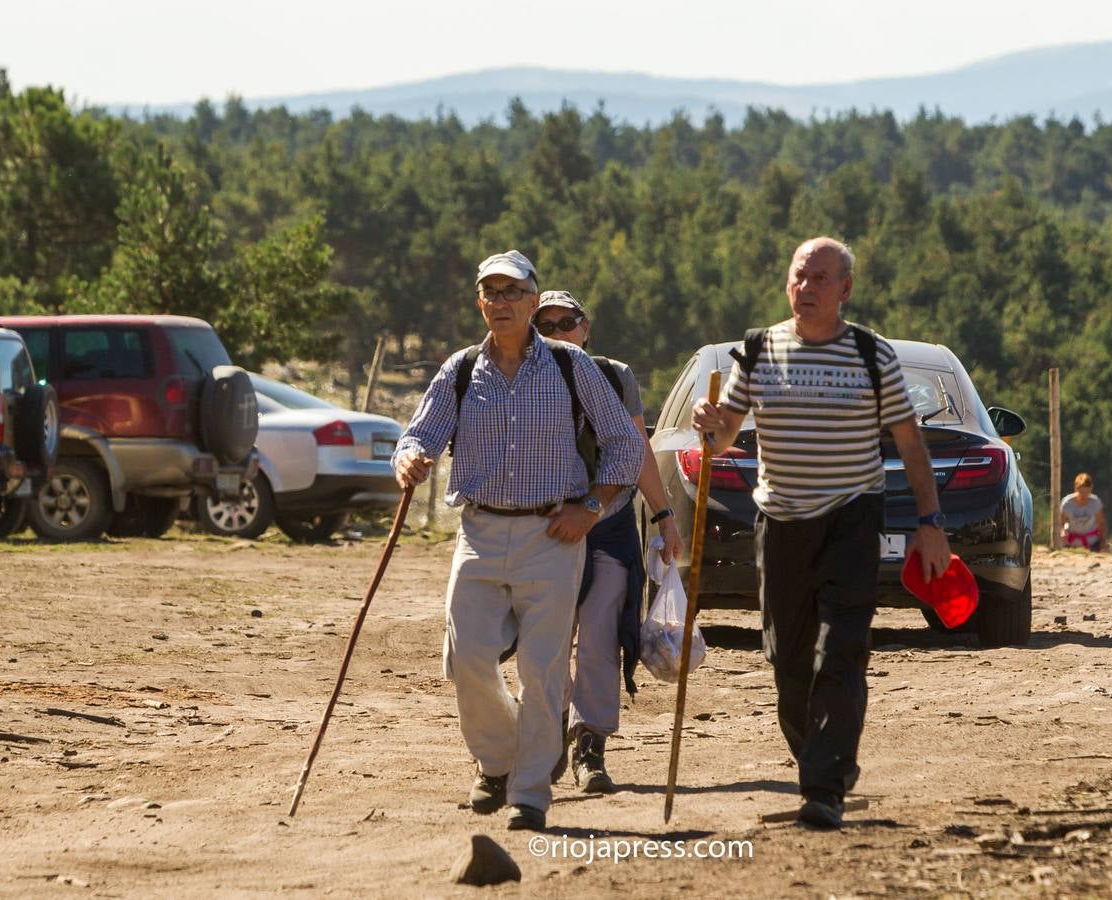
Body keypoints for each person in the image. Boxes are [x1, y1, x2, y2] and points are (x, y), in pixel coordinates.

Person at [690, 236, 952, 831]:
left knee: (841, 649)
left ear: (846, 289)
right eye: (799, 277)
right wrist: (710, 429)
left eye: (821, 279)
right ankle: (822, 755)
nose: (806, 289)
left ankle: (825, 784)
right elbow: (724, 434)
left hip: (851, 518)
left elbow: (910, 443)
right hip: (780, 522)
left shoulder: (870, 354)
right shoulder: (758, 350)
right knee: (787, 659)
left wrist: (930, 523)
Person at [392, 251, 645, 832]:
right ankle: (499, 761)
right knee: (468, 658)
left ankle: (530, 793)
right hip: (478, 531)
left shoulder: (569, 366)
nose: (500, 301)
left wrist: (589, 507)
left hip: (552, 535)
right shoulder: (459, 369)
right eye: (490, 291)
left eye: (512, 291)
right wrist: (409, 460)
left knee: (542, 668)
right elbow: (418, 434)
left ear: (534, 300)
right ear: (480, 302)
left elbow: (624, 446)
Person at [532, 290, 685, 794]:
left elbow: (638, 445)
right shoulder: (521, 376)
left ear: (586, 326)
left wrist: (664, 515)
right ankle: (548, 731)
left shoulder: (615, 376)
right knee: (546, 641)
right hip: (545, 527)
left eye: (567, 322)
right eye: (546, 325)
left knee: (599, 634)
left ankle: (589, 743)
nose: (558, 332)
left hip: (609, 524)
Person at [1060, 473, 1107, 552]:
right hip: (1072, 545)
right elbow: (1061, 522)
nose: (1084, 496)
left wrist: (1103, 542)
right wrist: (1063, 531)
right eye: (1081, 493)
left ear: (1091, 489)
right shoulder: (1067, 504)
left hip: (1092, 544)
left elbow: (1101, 524)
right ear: (1076, 489)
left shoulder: (1095, 503)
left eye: (1087, 493)